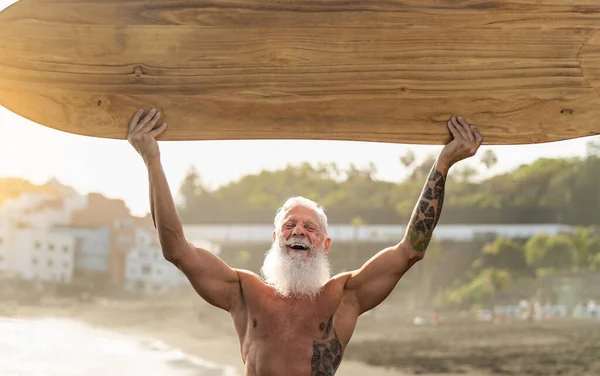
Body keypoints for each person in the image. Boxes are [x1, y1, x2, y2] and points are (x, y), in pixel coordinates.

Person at [127, 107, 483, 376]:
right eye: (289, 225)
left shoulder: (344, 297)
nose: (298, 231)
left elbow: (410, 250)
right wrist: (152, 161)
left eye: (310, 228)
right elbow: (176, 249)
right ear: (275, 239)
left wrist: (444, 163)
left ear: (325, 244)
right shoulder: (244, 293)